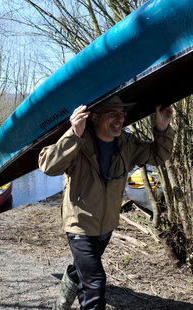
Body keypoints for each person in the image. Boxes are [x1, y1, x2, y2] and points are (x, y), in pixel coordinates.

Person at [38, 95, 174, 310]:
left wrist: (162, 128)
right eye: (113, 114)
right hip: (80, 225)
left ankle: (60, 304)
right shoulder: (79, 142)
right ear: (94, 117)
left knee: (82, 270)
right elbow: (48, 166)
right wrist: (73, 133)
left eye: (122, 114)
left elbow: (157, 156)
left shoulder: (127, 144)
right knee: (94, 282)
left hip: (107, 224)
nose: (120, 119)